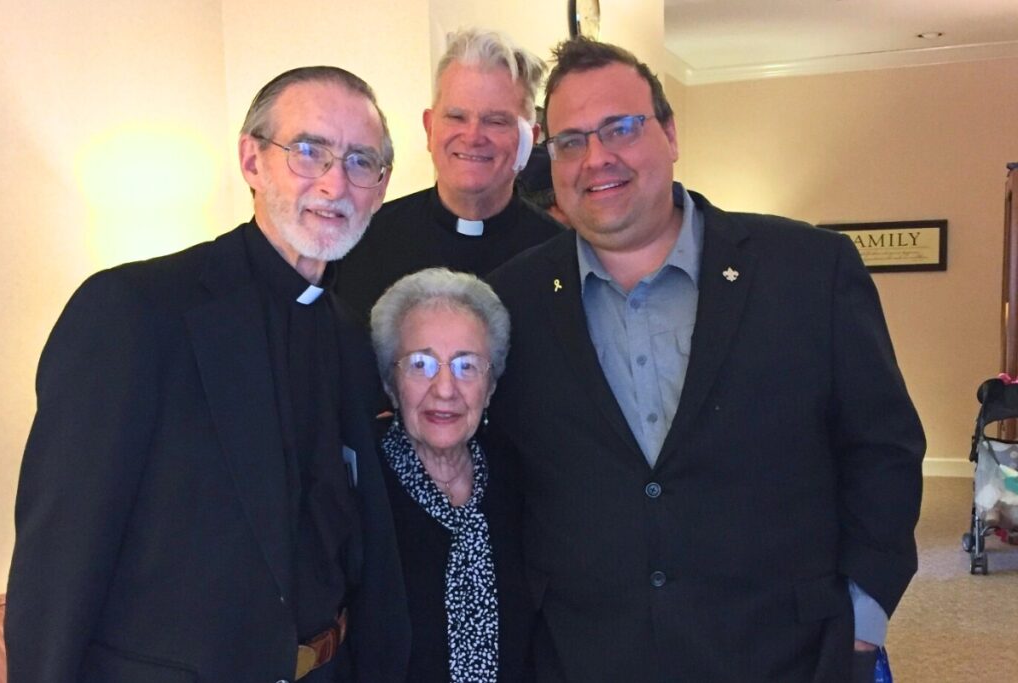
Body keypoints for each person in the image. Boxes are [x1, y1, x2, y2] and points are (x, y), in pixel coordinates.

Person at [487, 38, 925, 683]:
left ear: (669, 132)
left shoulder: (809, 269)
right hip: (586, 655)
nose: (597, 157)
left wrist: (863, 621)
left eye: (621, 128)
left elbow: (883, 447)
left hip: (786, 652)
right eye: (571, 140)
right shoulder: (510, 301)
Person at [6, 66, 409, 682]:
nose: (336, 183)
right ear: (252, 160)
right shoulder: (135, 311)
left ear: (380, 188)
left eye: (361, 162)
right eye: (309, 151)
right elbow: (60, 563)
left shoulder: (352, 337)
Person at [370, 268, 532, 683]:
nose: (445, 389)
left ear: (491, 386)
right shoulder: (359, 487)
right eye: (421, 364)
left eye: (467, 366)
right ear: (392, 383)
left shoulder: (518, 478)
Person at [335, 28, 562, 321]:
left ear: (529, 139)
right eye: (456, 117)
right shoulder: (363, 245)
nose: (473, 136)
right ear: (430, 129)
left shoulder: (559, 256)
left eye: (495, 121)